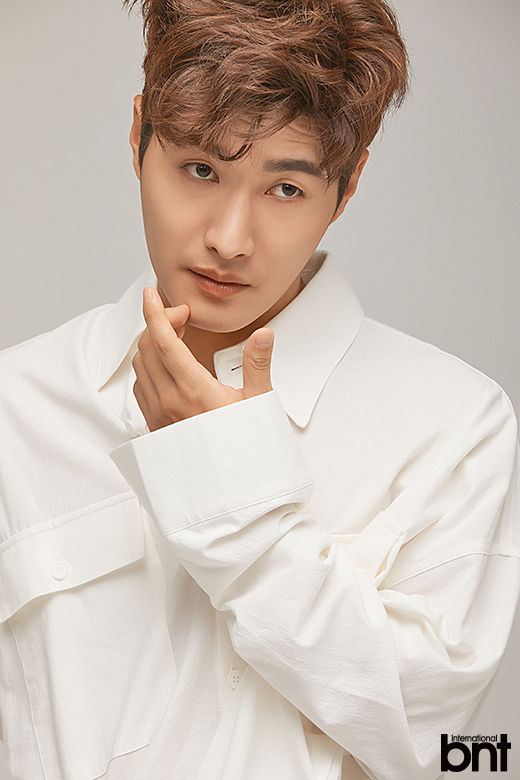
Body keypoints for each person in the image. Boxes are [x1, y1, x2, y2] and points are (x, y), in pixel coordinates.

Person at [0, 1, 518, 779]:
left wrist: (224, 483)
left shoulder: (454, 423)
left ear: (349, 183)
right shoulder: (15, 406)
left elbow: (436, 751)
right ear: (139, 134)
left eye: (285, 189)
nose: (229, 239)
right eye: (201, 170)